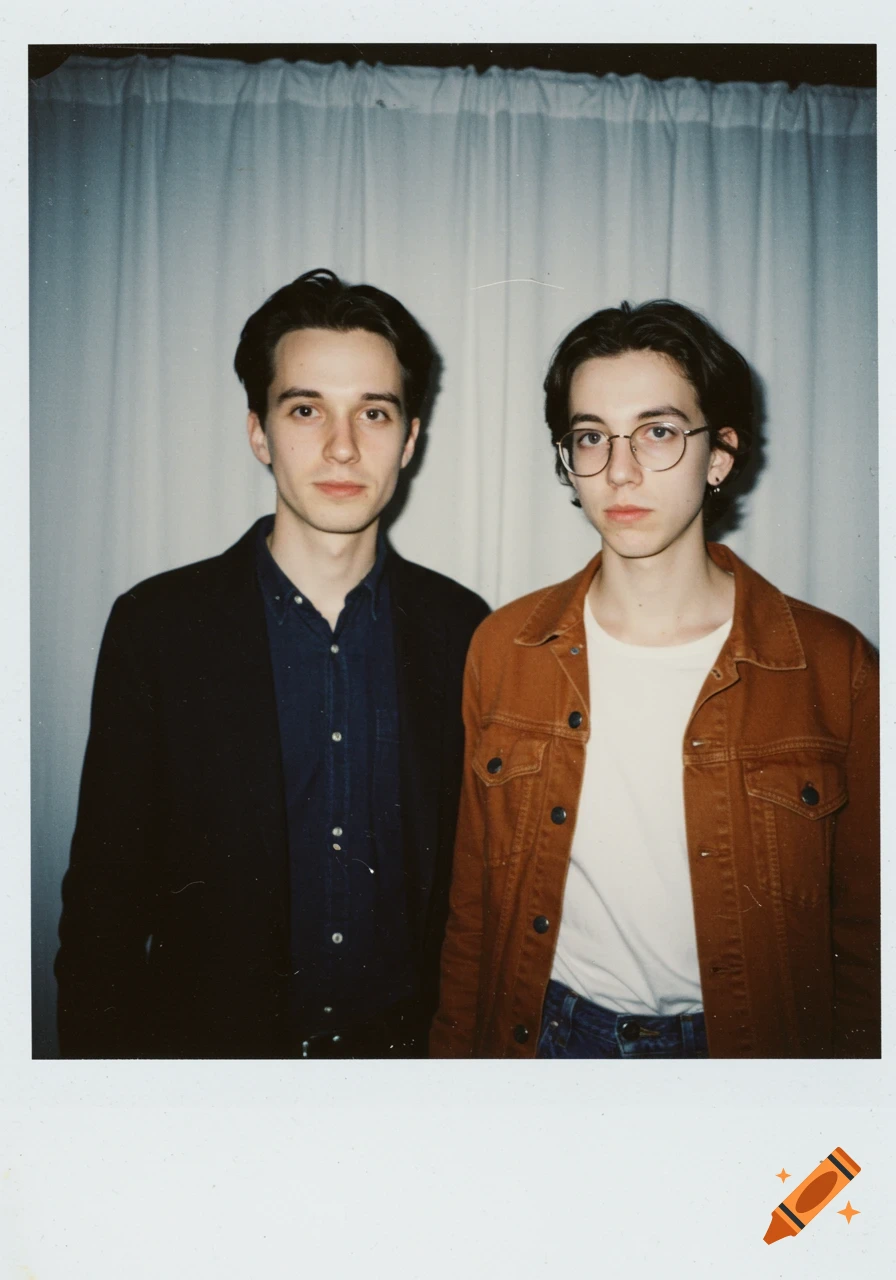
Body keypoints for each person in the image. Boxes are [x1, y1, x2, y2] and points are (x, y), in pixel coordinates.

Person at [56, 268, 489, 1058]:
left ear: (411, 439)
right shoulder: (157, 628)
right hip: (213, 1076)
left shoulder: (466, 630)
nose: (342, 446)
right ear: (258, 431)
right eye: (305, 408)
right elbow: (103, 907)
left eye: (375, 412)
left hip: (406, 1079)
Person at [430, 299, 879, 1060]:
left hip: (744, 1059)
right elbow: (474, 914)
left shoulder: (832, 667)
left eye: (659, 432)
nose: (621, 469)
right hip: (547, 1046)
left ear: (720, 454)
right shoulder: (505, 649)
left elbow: (869, 937)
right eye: (591, 438)